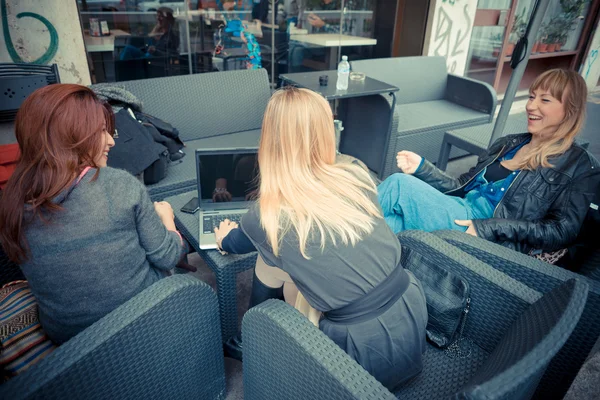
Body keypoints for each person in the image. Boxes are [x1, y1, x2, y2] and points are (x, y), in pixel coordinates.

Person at [214, 87, 428, 391]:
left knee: (268, 254)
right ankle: (255, 335)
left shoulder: (267, 214)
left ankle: (253, 336)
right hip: (411, 310)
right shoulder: (355, 171)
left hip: (357, 350)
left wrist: (223, 238)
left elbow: (236, 245)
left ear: (271, 140)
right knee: (277, 252)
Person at [0, 84, 186, 344]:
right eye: (101, 132)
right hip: (141, 317)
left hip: (68, 339)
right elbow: (167, 257)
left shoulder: (12, 200)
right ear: (69, 136)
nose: (111, 141)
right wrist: (167, 219)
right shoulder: (119, 184)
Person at [378, 69, 600, 255]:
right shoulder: (508, 144)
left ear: (570, 110)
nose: (531, 106)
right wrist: (422, 168)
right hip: (461, 210)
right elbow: (462, 186)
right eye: (532, 97)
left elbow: (561, 231)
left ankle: (342, 216)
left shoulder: (579, 166)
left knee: (399, 185)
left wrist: (490, 228)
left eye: (545, 99)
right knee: (387, 225)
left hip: (485, 236)